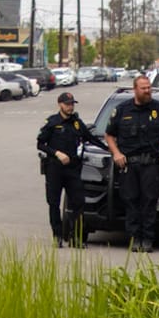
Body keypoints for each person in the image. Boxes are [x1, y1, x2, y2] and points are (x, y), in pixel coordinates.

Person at [103, 74, 159, 253]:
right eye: (143, 88)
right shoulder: (122, 110)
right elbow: (109, 135)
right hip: (129, 165)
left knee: (149, 201)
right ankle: (134, 238)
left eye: (149, 88)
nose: (147, 91)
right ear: (135, 90)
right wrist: (116, 153)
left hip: (151, 164)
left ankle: (147, 239)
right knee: (130, 201)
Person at [36, 90, 95, 248]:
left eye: (72, 104)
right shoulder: (52, 122)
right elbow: (40, 144)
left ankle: (76, 237)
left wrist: (112, 150)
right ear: (60, 105)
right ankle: (58, 235)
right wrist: (56, 153)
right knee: (54, 203)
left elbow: (90, 138)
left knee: (78, 202)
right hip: (55, 168)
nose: (70, 107)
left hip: (73, 169)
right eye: (67, 104)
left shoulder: (77, 123)